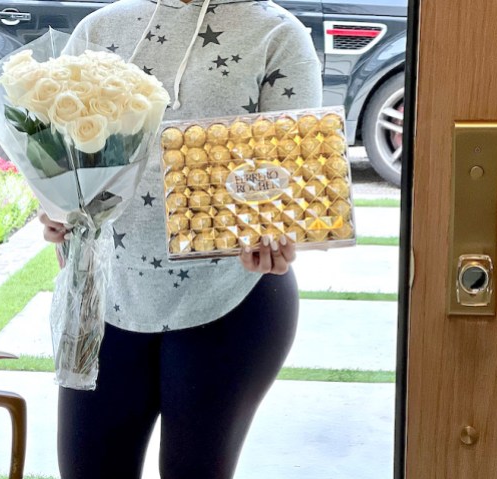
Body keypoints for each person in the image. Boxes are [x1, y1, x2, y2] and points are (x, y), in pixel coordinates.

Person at [41, 0, 322, 477]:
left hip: (232, 303)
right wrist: (53, 208)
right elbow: (55, 153)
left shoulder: (277, 35)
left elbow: (292, 177)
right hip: (102, 301)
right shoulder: (100, 27)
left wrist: (279, 228)